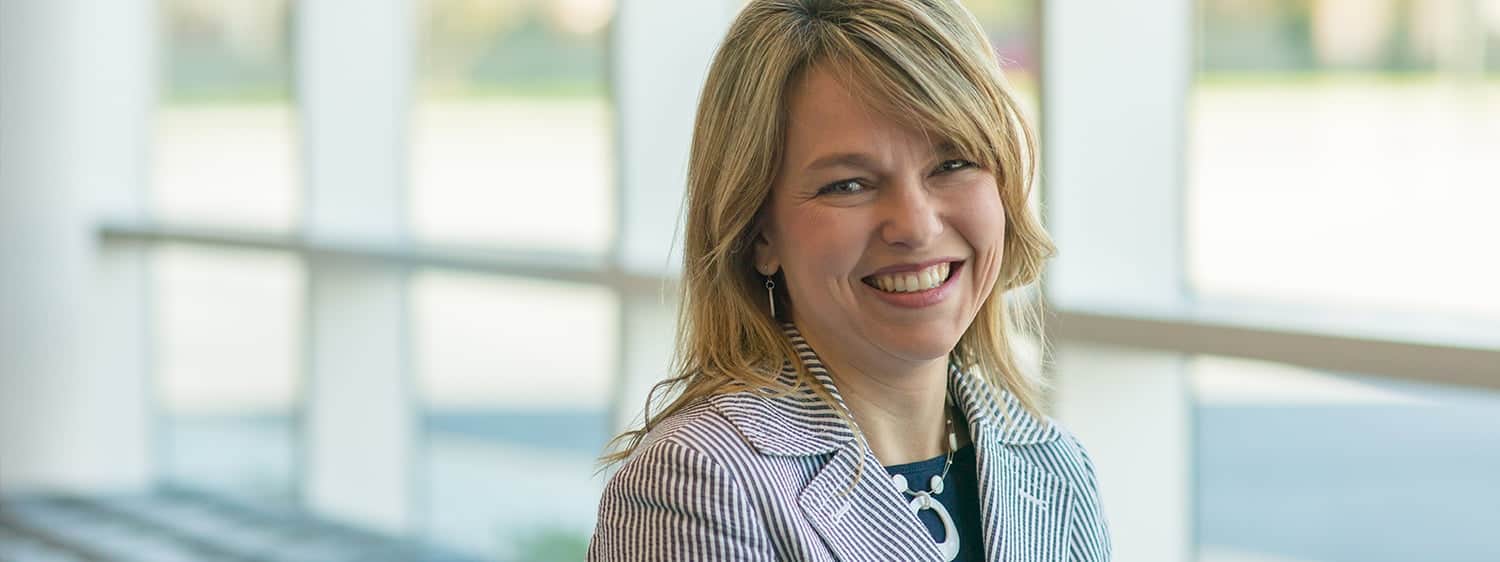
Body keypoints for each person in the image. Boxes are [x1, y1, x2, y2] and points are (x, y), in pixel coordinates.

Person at [590, 0, 1109, 560]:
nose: (915, 226)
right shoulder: (701, 481)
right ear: (759, 233)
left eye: (953, 163)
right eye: (849, 184)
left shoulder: (1055, 466)